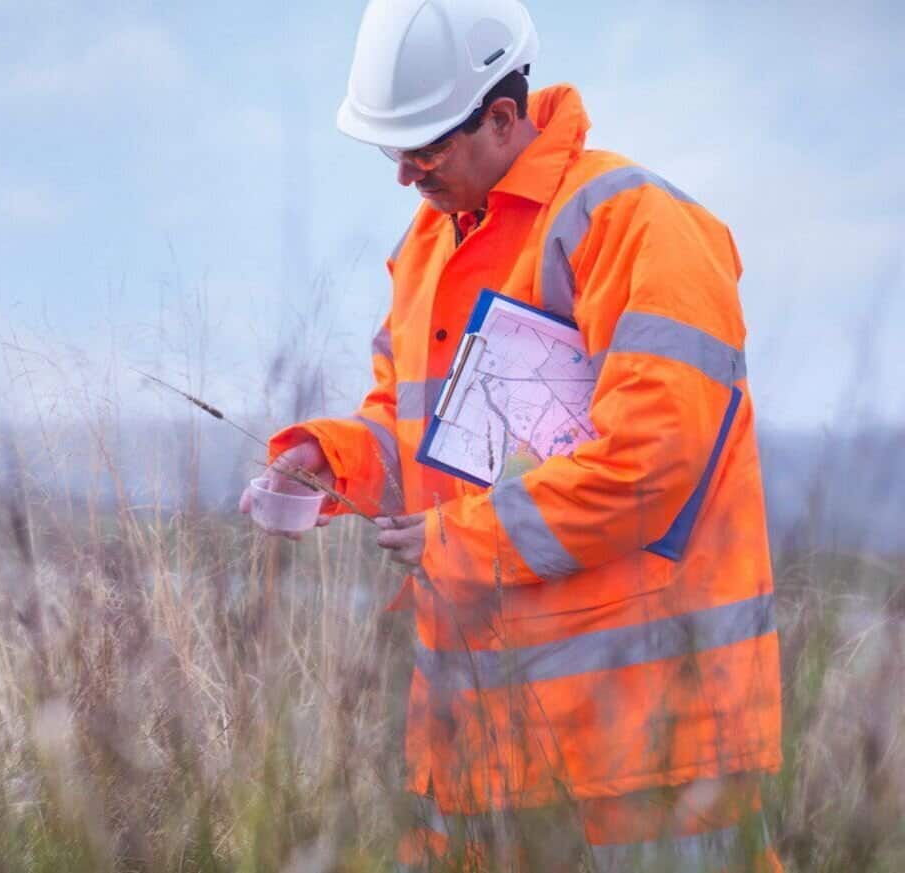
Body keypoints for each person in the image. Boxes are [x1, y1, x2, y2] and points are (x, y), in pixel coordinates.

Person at [238, 1, 782, 869]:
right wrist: (325, 459)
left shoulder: (635, 225)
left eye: (425, 147)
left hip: (645, 756)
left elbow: (652, 465)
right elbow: (410, 432)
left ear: (503, 116)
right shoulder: (427, 249)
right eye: (394, 150)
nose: (406, 174)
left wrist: (462, 540)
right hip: (475, 753)